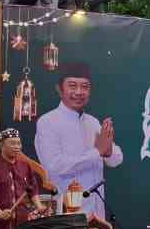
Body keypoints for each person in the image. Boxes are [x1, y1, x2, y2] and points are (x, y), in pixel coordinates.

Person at [35, 61, 123, 220]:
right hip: (68, 214)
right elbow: (55, 166)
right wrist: (98, 152)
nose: (79, 92)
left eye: (85, 87)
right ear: (59, 89)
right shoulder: (47, 122)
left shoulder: (93, 122)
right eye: (72, 85)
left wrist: (109, 150)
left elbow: (116, 160)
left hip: (97, 212)